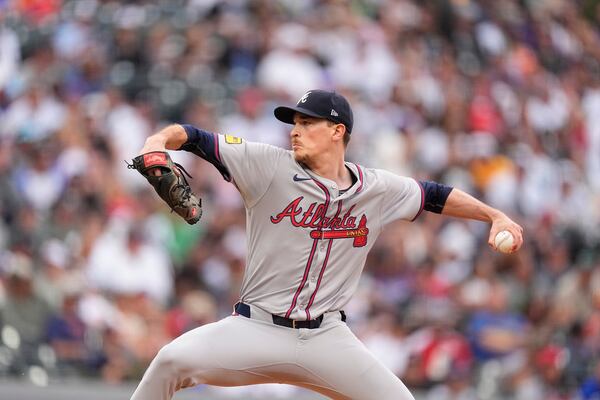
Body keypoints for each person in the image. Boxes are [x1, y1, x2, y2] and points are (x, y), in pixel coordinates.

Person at [129, 89, 523, 400]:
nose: (294, 130)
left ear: (338, 131)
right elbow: (193, 137)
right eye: (293, 123)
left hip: (325, 339)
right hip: (255, 329)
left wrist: (494, 215)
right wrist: (157, 140)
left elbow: (435, 194)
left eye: (306, 122)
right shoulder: (267, 165)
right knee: (170, 361)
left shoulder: (376, 188)